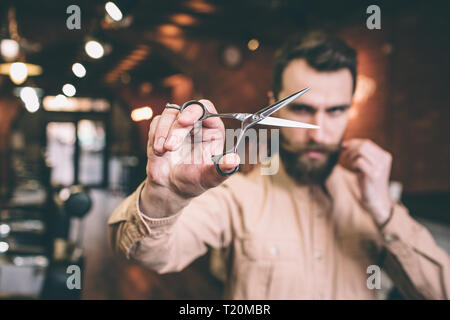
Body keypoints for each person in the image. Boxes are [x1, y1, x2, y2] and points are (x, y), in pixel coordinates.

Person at [108, 31, 449, 299]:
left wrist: (386, 214)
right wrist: (165, 198)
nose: (318, 131)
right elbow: (144, 253)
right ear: (275, 105)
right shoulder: (237, 195)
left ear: (350, 108)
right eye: (302, 109)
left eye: (335, 111)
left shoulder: (372, 199)